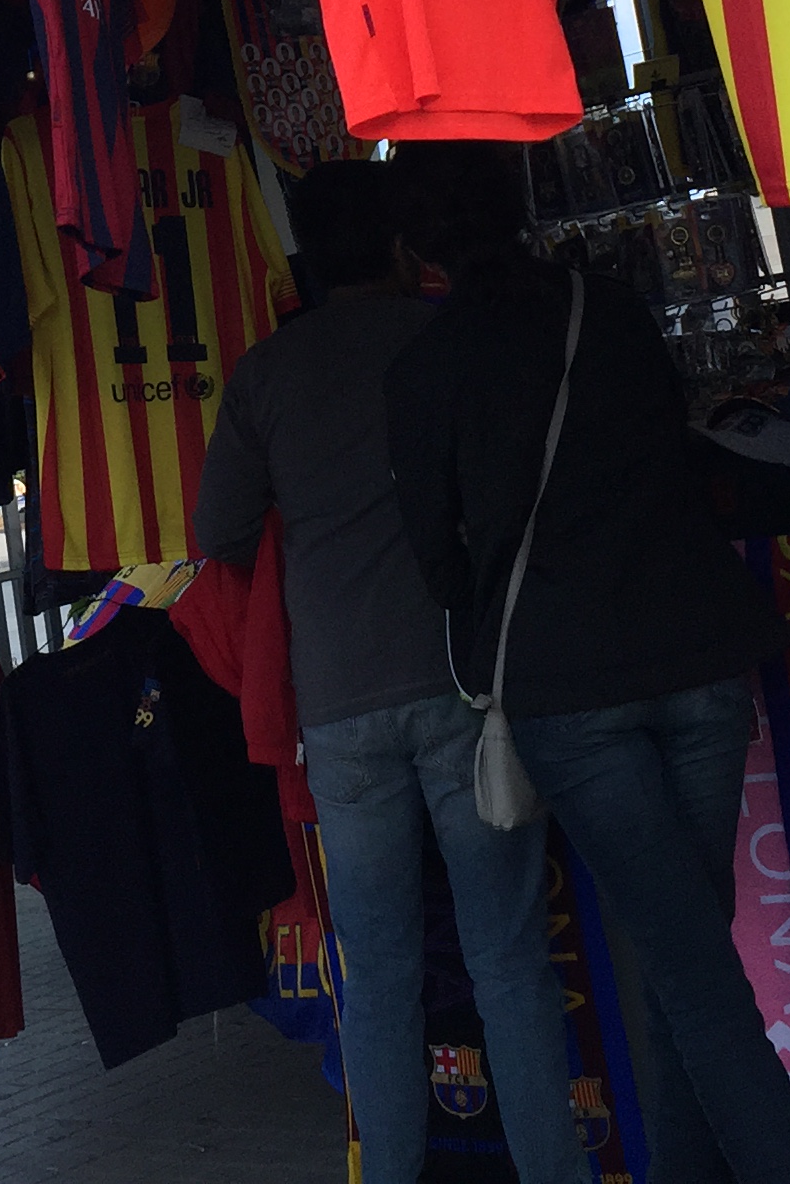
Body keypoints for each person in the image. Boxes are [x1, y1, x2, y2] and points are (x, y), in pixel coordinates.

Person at [387, 142, 790, 1184]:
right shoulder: (611, 309)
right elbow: (680, 448)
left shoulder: (425, 367)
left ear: (414, 245)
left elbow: (440, 567)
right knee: (688, 950)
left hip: (569, 683)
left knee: (689, 964)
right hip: (699, 649)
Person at [192, 160, 589, 1184]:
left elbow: (218, 532)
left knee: (374, 976)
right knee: (508, 964)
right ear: (406, 250)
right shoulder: (448, 337)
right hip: (465, 687)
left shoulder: (266, 374)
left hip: (338, 707)